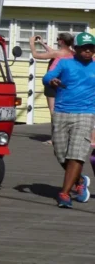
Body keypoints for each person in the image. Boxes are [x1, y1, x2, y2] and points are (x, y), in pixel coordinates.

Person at [43, 32, 95, 208]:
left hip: (86, 114)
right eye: (84, 47)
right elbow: (47, 76)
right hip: (61, 112)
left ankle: (64, 193)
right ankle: (79, 180)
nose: (88, 51)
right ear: (76, 48)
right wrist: (53, 81)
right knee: (60, 153)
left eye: (91, 48)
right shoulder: (64, 63)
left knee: (77, 154)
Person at [30, 33, 75, 144]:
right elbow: (52, 53)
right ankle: (67, 136)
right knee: (66, 110)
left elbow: (36, 55)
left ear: (62, 42)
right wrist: (42, 43)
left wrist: (31, 43)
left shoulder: (58, 53)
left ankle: (55, 138)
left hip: (53, 83)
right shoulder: (72, 53)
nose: (57, 41)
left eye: (58, 39)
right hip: (65, 84)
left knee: (53, 112)